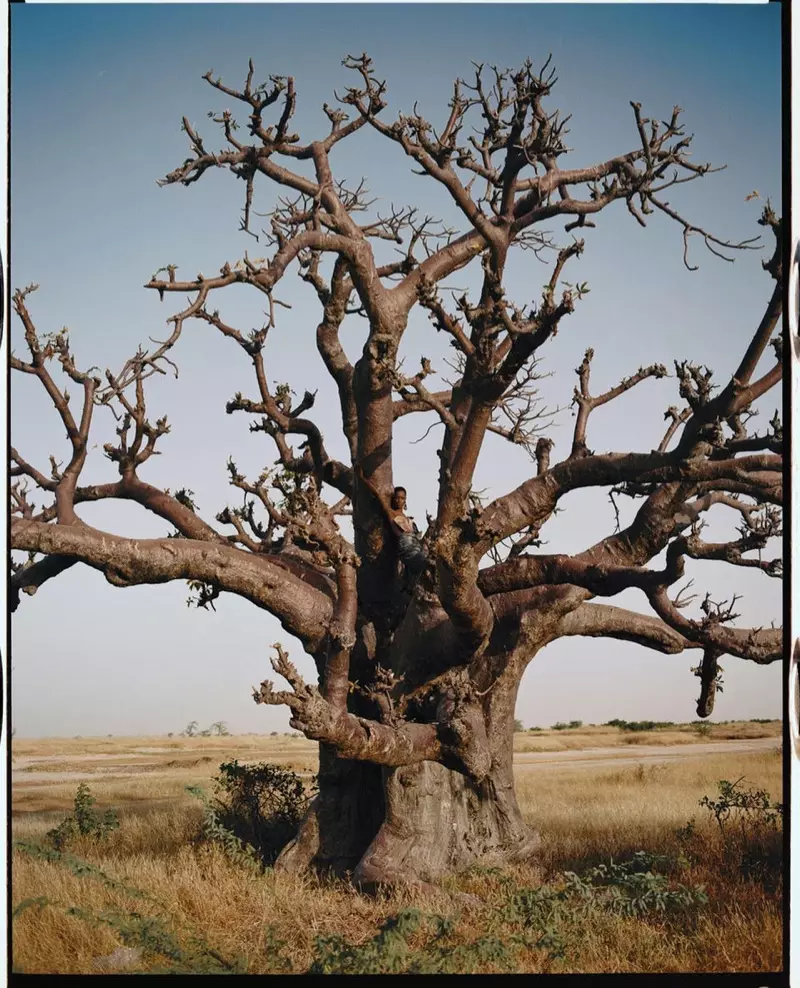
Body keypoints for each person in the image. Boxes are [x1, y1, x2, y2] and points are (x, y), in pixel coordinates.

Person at [357, 469, 428, 577]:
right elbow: (377, 493)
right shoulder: (391, 513)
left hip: (416, 547)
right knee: (424, 567)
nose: (399, 500)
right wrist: (362, 478)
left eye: (402, 498)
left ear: (405, 500)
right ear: (393, 499)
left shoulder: (407, 517)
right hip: (406, 549)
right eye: (397, 498)